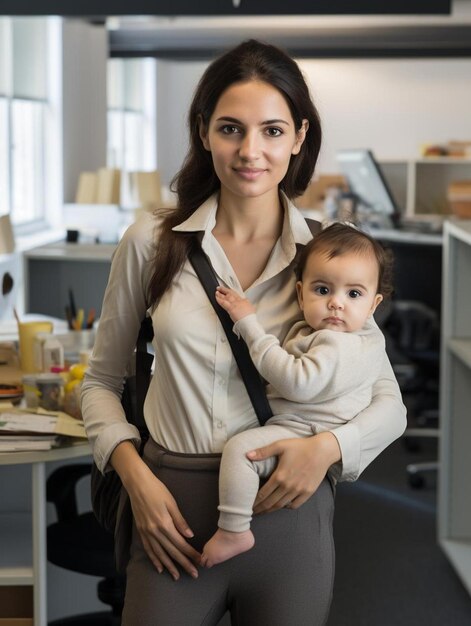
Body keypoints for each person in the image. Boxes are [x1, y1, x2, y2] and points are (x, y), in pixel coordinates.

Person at [81, 39, 406, 625]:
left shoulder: (330, 254)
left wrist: (327, 449)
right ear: (204, 131)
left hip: (289, 510)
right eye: (231, 128)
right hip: (169, 513)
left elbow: (389, 402)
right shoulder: (151, 244)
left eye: (272, 131)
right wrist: (136, 478)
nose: (251, 151)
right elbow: (100, 381)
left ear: (300, 137)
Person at [201, 222, 394, 567]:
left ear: (373, 305)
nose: (336, 304)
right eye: (323, 290)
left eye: (353, 294)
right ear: (300, 293)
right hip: (310, 427)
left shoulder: (337, 342)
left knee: (241, 451)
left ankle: (233, 530)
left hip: (306, 429)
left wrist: (249, 325)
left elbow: (296, 382)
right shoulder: (356, 337)